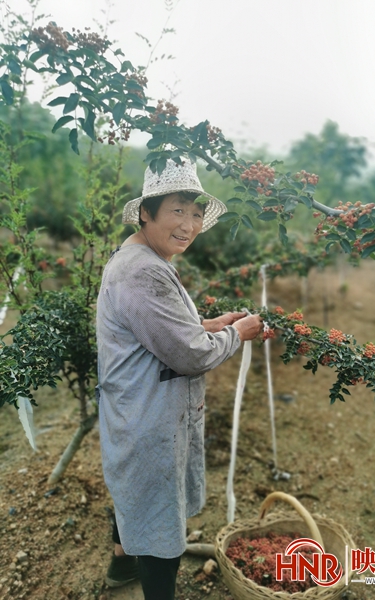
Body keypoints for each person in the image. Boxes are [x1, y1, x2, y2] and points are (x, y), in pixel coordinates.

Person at [96, 159, 262, 600]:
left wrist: (208, 324)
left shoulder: (139, 256)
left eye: (194, 213)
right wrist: (237, 334)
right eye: (177, 211)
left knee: (135, 492)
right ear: (146, 213)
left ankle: (120, 565)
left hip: (135, 407)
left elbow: (157, 330)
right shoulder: (143, 270)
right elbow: (188, 355)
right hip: (148, 417)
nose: (189, 224)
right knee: (159, 522)